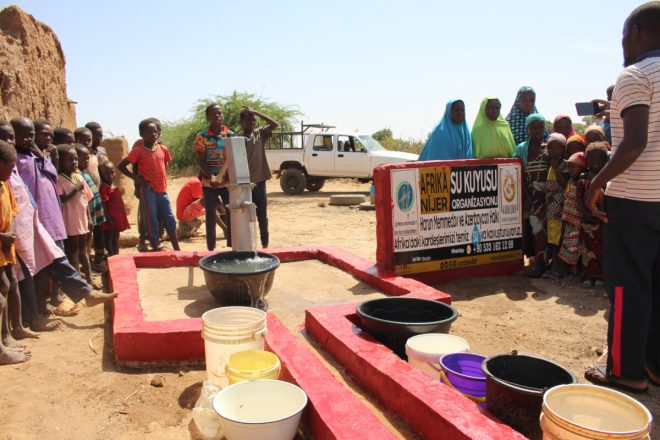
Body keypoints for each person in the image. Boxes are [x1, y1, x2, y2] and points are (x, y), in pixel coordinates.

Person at [583, 1, 660, 393]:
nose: (622, 46)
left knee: (628, 288)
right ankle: (654, 365)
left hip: (636, 201)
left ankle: (625, 371)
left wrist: (597, 182)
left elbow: (634, 143)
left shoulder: (635, 74)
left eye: (623, 37)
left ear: (636, 34)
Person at [118, 119, 180, 252]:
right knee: (151, 218)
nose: (154, 134)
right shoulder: (138, 150)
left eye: (156, 131)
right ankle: (155, 245)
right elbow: (122, 166)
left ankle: (176, 247)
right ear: (141, 134)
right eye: (150, 132)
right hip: (147, 189)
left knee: (169, 217)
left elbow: (164, 164)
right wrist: (136, 180)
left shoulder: (163, 149)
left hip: (162, 189)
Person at [0, 140, 31, 365]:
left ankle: (6, 335)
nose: (12, 172)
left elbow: (11, 211)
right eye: (10, 167)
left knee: (6, 287)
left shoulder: (4, 184)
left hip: (3, 248)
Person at [56, 144, 100, 289]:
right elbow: (61, 200)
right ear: (60, 162)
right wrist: (75, 189)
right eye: (70, 160)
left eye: (75, 159)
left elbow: (86, 200)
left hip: (83, 220)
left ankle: (88, 278)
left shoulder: (78, 176)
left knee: (84, 250)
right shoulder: (58, 180)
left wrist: (90, 219)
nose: (74, 162)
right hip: (70, 222)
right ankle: (78, 284)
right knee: (73, 252)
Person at [238, 105, 279, 248]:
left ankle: (265, 244)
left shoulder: (260, 134)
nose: (252, 122)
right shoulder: (237, 138)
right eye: (249, 119)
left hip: (260, 182)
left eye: (254, 120)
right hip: (244, 184)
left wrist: (256, 112)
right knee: (247, 217)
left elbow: (275, 124)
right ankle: (249, 246)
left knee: (262, 215)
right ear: (242, 121)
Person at [193, 104, 232, 251]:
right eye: (214, 114)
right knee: (210, 214)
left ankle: (232, 246)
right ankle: (211, 249)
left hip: (227, 181)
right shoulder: (202, 136)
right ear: (208, 117)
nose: (218, 116)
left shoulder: (230, 135)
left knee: (231, 212)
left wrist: (222, 177)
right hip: (208, 181)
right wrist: (212, 177)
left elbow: (232, 159)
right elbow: (201, 161)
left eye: (220, 113)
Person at [513, 113, 548, 277]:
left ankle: (543, 263)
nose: (537, 130)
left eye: (540, 126)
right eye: (533, 127)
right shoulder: (521, 149)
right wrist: (524, 195)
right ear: (527, 129)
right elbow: (515, 172)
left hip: (547, 195)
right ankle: (536, 262)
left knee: (545, 228)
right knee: (533, 227)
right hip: (529, 195)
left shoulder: (548, 147)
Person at [580, 142, 609, 288]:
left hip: (602, 222)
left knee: (602, 250)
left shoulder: (608, 179)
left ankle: (601, 277)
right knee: (587, 250)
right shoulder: (584, 177)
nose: (595, 162)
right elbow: (579, 199)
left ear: (606, 161)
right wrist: (586, 213)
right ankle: (589, 275)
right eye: (592, 159)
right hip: (586, 221)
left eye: (600, 159)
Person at [76, 145, 106, 272]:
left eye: (88, 158)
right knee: (84, 243)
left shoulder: (83, 173)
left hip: (92, 211)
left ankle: (88, 264)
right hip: (84, 214)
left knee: (88, 240)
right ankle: (84, 268)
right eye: (84, 159)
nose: (87, 161)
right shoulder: (77, 175)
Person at [543, 133, 568, 279]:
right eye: (551, 148)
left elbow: (564, 185)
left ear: (563, 149)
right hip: (551, 208)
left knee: (559, 240)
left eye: (557, 148)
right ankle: (553, 267)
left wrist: (557, 168)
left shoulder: (564, 165)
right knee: (552, 239)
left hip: (560, 208)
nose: (553, 151)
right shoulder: (549, 165)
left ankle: (560, 268)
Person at [557, 152, 587, 278]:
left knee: (578, 245)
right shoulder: (570, 182)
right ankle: (571, 268)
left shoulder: (583, 183)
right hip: (568, 219)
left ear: (582, 168)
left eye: (573, 167)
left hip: (578, 221)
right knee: (569, 245)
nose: (570, 170)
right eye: (568, 167)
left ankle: (578, 270)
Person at [84, 122, 109, 269]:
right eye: (96, 135)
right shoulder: (82, 153)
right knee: (88, 229)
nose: (99, 138)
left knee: (100, 226)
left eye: (101, 135)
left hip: (99, 195)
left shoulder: (101, 151)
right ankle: (87, 260)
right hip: (85, 197)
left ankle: (100, 256)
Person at [99, 161, 129, 256]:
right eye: (106, 173)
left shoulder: (113, 186)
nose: (110, 175)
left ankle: (116, 255)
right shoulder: (104, 188)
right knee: (110, 238)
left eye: (112, 172)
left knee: (116, 237)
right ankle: (112, 257)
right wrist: (108, 219)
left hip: (117, 218)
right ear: (101, 175)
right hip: (110, 219)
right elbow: (104, 205)